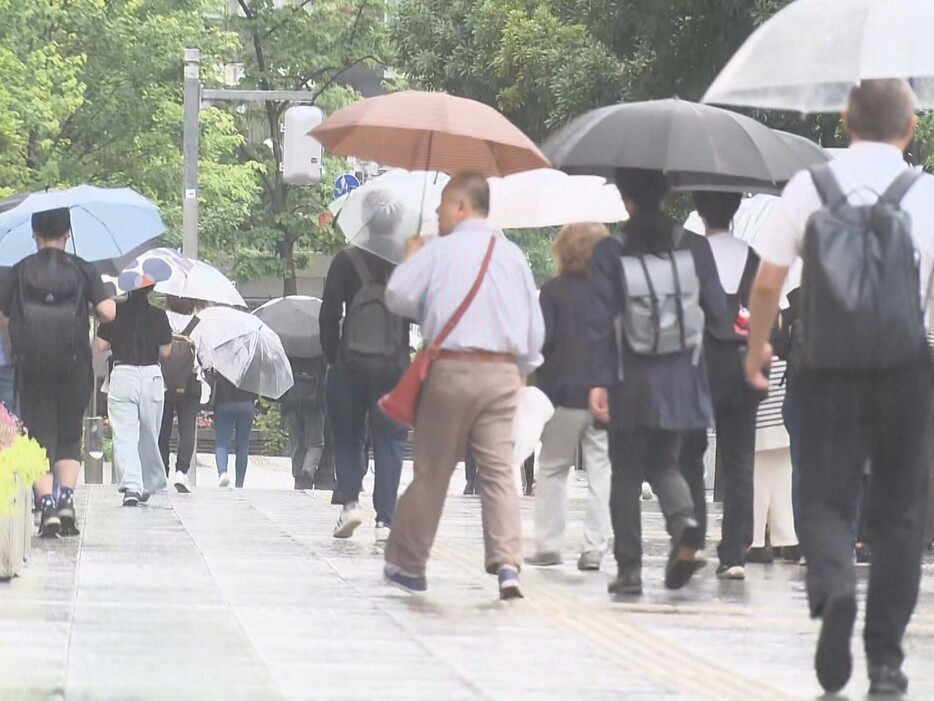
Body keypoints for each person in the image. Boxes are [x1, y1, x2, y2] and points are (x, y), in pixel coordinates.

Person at [744, 79, 934, 697]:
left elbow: (770, 283)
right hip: (905, 367)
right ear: (910, 127)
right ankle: (885, 662)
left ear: (845, 119)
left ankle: (835, 588)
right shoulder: (926, 195)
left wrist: (758, 350)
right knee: (901, 513)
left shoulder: (809, 188)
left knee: (825, 496)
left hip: (824, 367)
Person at [382, 172, 544, 599]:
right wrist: (521, 369)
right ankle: (508, 563)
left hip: (451, 369)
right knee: (498, 471)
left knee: (433, 470)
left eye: (441, 206)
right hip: (503, 374)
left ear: (461, 206)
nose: (436, 214)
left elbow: (397, 297)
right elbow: (534, 328)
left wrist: (412, 258)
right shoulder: (513, 257)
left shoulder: (437, 252)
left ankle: (409, 564)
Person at [589, 168, 730, 596]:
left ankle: (629, 571)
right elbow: (719, 314)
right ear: (667, 196)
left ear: (626, 199)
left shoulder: (610, 252)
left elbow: (598, 322)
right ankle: (685, 522)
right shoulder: (695, 247)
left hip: (626, 377)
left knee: (626, 472)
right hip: (680, 377)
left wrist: (597, 382)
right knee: (665, 463)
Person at [0, 208, 115, 535]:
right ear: (67, 233)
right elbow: (107, 312)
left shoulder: (20, 271)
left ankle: (46, 506)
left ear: (34, 234)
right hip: (73, 364)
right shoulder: (82, 269)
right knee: (68, 435)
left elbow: (2, 315)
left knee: (37, 437)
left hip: (31, 366)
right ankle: (66, 500)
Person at [320, 189, 410, 543]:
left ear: (365, 221)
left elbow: (329, 315)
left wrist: (333, 357)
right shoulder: (409, 261)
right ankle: (385, 521)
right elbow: (422, 310)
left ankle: (350, 505)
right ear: (398, 222)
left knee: (347, 436)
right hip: (394, 366)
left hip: (349, 363)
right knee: (390, 440)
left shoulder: (346, 259)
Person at [684, 191, 766, 580]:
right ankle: (734, 552)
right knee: (739, 461)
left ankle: (692, 535)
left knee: (691, 452)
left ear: (700, 212)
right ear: (736, 209)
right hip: (744, 365)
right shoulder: (752, 256)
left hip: (699, 364)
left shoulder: (690, 255)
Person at [526, 222, 612, 572]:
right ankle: (594, 547)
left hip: (561, 393)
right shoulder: (611, 292)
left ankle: (549, 545)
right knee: (601, 471)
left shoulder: (553, 291)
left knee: (552, 468)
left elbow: (540, 342)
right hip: (605, 394)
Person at [97, 287, 173, 505]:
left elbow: (101, 345)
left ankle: (132, 486)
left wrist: (117, 340)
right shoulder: (158, 314)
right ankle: (149, 482)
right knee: (150, 432)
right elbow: (166, 351)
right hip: (151, 375)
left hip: (123, 374)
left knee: (124, 433)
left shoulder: (115, 312)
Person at [159, 295, 210, 494]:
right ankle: (182, 472)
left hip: (164, 381)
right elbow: (207, 359)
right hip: (190, 381)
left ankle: (162, 471)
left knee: (162, 429)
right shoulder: (199, 324)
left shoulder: (162, 318)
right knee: (187, 428)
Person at [281, 354, 330, 490]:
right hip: (314, 401)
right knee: (316, 443)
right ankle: (307, 471)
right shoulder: (319, 351)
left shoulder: (289, 348)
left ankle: (298, 475)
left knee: (297, 441)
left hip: (292, 400)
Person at [211, 374, 257, 489]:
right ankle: (239, 483)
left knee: (222, 442)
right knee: (243, 444)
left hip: (223, 402)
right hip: (246, 403)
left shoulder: (221, 358)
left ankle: (223, 473)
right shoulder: (251, 359)